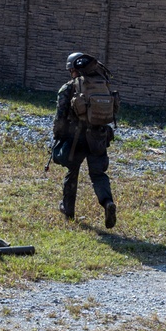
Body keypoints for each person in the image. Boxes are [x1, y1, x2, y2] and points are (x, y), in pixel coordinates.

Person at [52, 52, 118, 229]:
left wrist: (57, 137)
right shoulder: (102, 84)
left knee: (72, 173)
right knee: (98, 174)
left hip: (77, 139)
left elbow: (59, 118)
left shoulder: (68, 88)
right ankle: (107, 203)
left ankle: (68, 209)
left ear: (73, 70)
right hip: (99, 136)